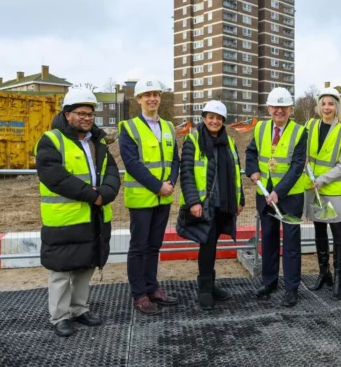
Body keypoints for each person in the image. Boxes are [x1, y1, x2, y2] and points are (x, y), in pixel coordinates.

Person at [34, 88, 120, 337]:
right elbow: (55, 178)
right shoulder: (51, 140)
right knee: (61, 270)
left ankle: (79, 309)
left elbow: (112, 172)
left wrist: (108, 192)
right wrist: (94, 195)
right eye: (81, 113)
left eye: (90, 114)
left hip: (93, 216)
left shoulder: (97, 141)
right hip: (64, 218)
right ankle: (60, 316)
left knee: (85, 265)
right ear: (67, 114)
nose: (87, 118)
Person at [118, 78, 180, 315]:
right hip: (143, 198)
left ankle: (152, 288)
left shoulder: (168, 127)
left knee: (154, 246)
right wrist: (158, 186)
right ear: (139, 99)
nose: (152, 98)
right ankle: (139, 295)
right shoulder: (129, 128)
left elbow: (175, 159)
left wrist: (171, 182)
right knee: (139, 247)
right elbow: (132, 163)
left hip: (163, 197)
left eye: (156, 94)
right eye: (147, 95)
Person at [177, 101, 245, 310]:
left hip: (222, 202)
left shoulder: (229, 142)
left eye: (218, 118)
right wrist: (193, 202)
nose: (214, 121)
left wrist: (240, 199)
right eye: (210, 117)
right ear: (204, 118)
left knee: (213, 244)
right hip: (203, 204)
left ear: (223, 121)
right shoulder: (193, 140)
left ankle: (210, 285)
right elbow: (186, 173)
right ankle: (204, 289)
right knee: (206, 244)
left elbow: (235, 172)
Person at [245, 87, 308, 307]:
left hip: (289, 197)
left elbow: (297, 166)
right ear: (269, 108)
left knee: (291, 243)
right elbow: (251, 152)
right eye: (275, 107)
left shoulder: (300, 132)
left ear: (291, 109)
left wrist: (277, 192)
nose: (279, 111)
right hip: (265, 194)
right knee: (269, 239)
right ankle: (270, 282)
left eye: (283, 107)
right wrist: (252, 171)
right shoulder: (260, 128)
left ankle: (292, 288)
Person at [304, 87, 341, 300]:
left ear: (337, 107)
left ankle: (338, 278)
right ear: (318, 106)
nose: (326, 107)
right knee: (319, 230)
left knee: (337, 233)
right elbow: (303, 152)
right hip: (314, 188)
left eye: (331, 104)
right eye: (323, 103)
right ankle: (324, 273)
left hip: (332, 189)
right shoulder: (310, 125)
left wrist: (321, 179)